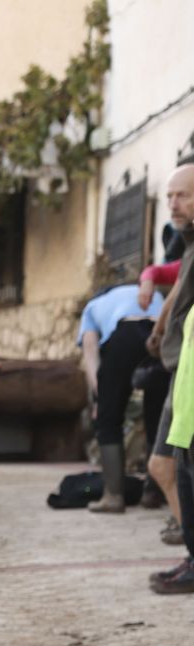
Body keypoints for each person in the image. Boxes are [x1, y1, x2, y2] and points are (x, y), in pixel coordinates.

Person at [75, 278, 166, 514]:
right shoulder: (153, 293)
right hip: (162, 336)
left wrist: (100, 397)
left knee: (109, 418)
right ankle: (153, 492)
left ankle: (113, 496)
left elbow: (91, 353)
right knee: (159, 418)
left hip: (125, 332)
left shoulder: (92, 307)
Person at [145, 163, 194, 552]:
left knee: (167, 466)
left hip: (189, 373)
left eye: (183, 196)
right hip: (180, 367)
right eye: (169, 196)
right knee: (167, 467)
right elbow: (176, 284)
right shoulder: (189, 243)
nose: (173, 205)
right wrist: (160, 329)